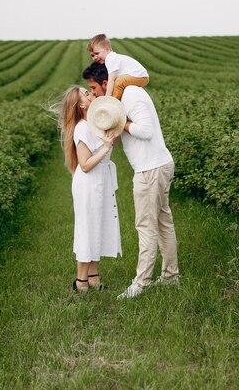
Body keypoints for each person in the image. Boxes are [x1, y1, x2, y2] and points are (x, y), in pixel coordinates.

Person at [82, 62, 179, 299]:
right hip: (157, 164)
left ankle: (141, 282)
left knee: (145, 226)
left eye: (94, 88)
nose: (93, 94)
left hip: (150, 169)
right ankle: (170, 277)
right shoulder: (123, 97)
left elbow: (145, 130)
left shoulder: (131, 96)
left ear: (106, 83)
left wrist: (121, 121)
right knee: (163, 222)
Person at [55, 85, 123, 292]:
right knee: (87, 229)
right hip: (89, 184)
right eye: (86, 94)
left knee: (97, 227)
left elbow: (113, 142)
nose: (91, 94)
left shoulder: (95, 124)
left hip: (100, 180)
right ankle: (80, 282)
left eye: (89, 91)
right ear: (81, 105)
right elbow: (84, 164)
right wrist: (105, 147)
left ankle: (93, 278)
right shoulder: (82, 128)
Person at [87, 34, 149, 101]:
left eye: (97, 53)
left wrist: (107, 96)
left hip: (140, 76)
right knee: (118, 82)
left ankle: (112, 102)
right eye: (92, 55)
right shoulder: (111, 58)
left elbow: (111, 80)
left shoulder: (111, 59)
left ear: (107, 49)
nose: (95, 57)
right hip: (139, 76)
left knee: (119, 82)